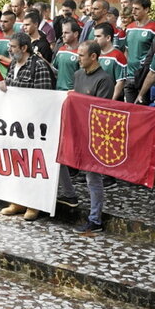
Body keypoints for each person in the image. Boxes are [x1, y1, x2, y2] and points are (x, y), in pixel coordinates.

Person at [57, 40, 115, 232]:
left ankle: (95, 219)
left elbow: (101, 110)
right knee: (60, 159)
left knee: (93, 178)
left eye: (81, 55)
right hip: (76, 129)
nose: (77, 58)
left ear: (93, 57)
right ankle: (69, 194)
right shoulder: (78, 74)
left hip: (94, 135)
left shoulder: (104, 79)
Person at [0, 32, 54, 221]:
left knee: (32, 165)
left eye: (13, 47)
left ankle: (34, 204)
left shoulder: (38, 66)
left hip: (32, 126)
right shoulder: (14, 64)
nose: (9, 50)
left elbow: (43, 97)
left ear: (24, 48)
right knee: (16, 163)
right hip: (14, 123)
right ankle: (18, 201)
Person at [122, 0, 155, 102]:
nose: (133, 12)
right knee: (130, 110)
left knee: (142, 111)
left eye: (137, 9)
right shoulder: (129, 27)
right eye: (132, 9)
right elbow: (127, 50)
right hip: (129, 76)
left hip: (144, 77)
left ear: (146, 9)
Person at [52, 18, 81, 91]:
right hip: (58, 92)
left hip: (72, 94)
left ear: (76, 34)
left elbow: (84, 77)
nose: (63, 35)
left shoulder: (82, 53)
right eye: (63, 32)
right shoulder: (61, 50)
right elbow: (55, 70)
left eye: (66, 33)